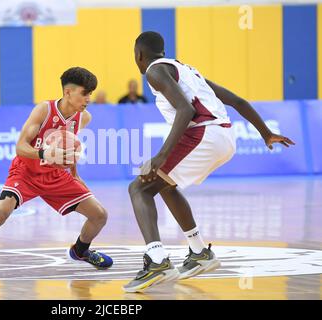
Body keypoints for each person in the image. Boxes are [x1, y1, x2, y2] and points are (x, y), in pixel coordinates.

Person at [123, 31, 295, 293]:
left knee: (139, 188)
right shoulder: (187, 70)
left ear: (138, 55)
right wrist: (265, 133)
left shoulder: (155, 72)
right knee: (166, 186)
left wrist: (160, 156)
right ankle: (199, 251)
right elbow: (237, 100)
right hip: (225, 136)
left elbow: (186, 110)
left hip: (204, 134)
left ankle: (157, 260)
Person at [0, 67, 113, 280]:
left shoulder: (84, 117)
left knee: (100, 215)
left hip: (56, 175)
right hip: (26, 172)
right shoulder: (44, 110)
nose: (88, 98)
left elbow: (70, 148)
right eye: (84, 93)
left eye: (90, 94)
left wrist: (75, 173)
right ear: (68, 92)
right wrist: (45, 152)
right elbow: (20, 147)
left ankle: (80, 250)